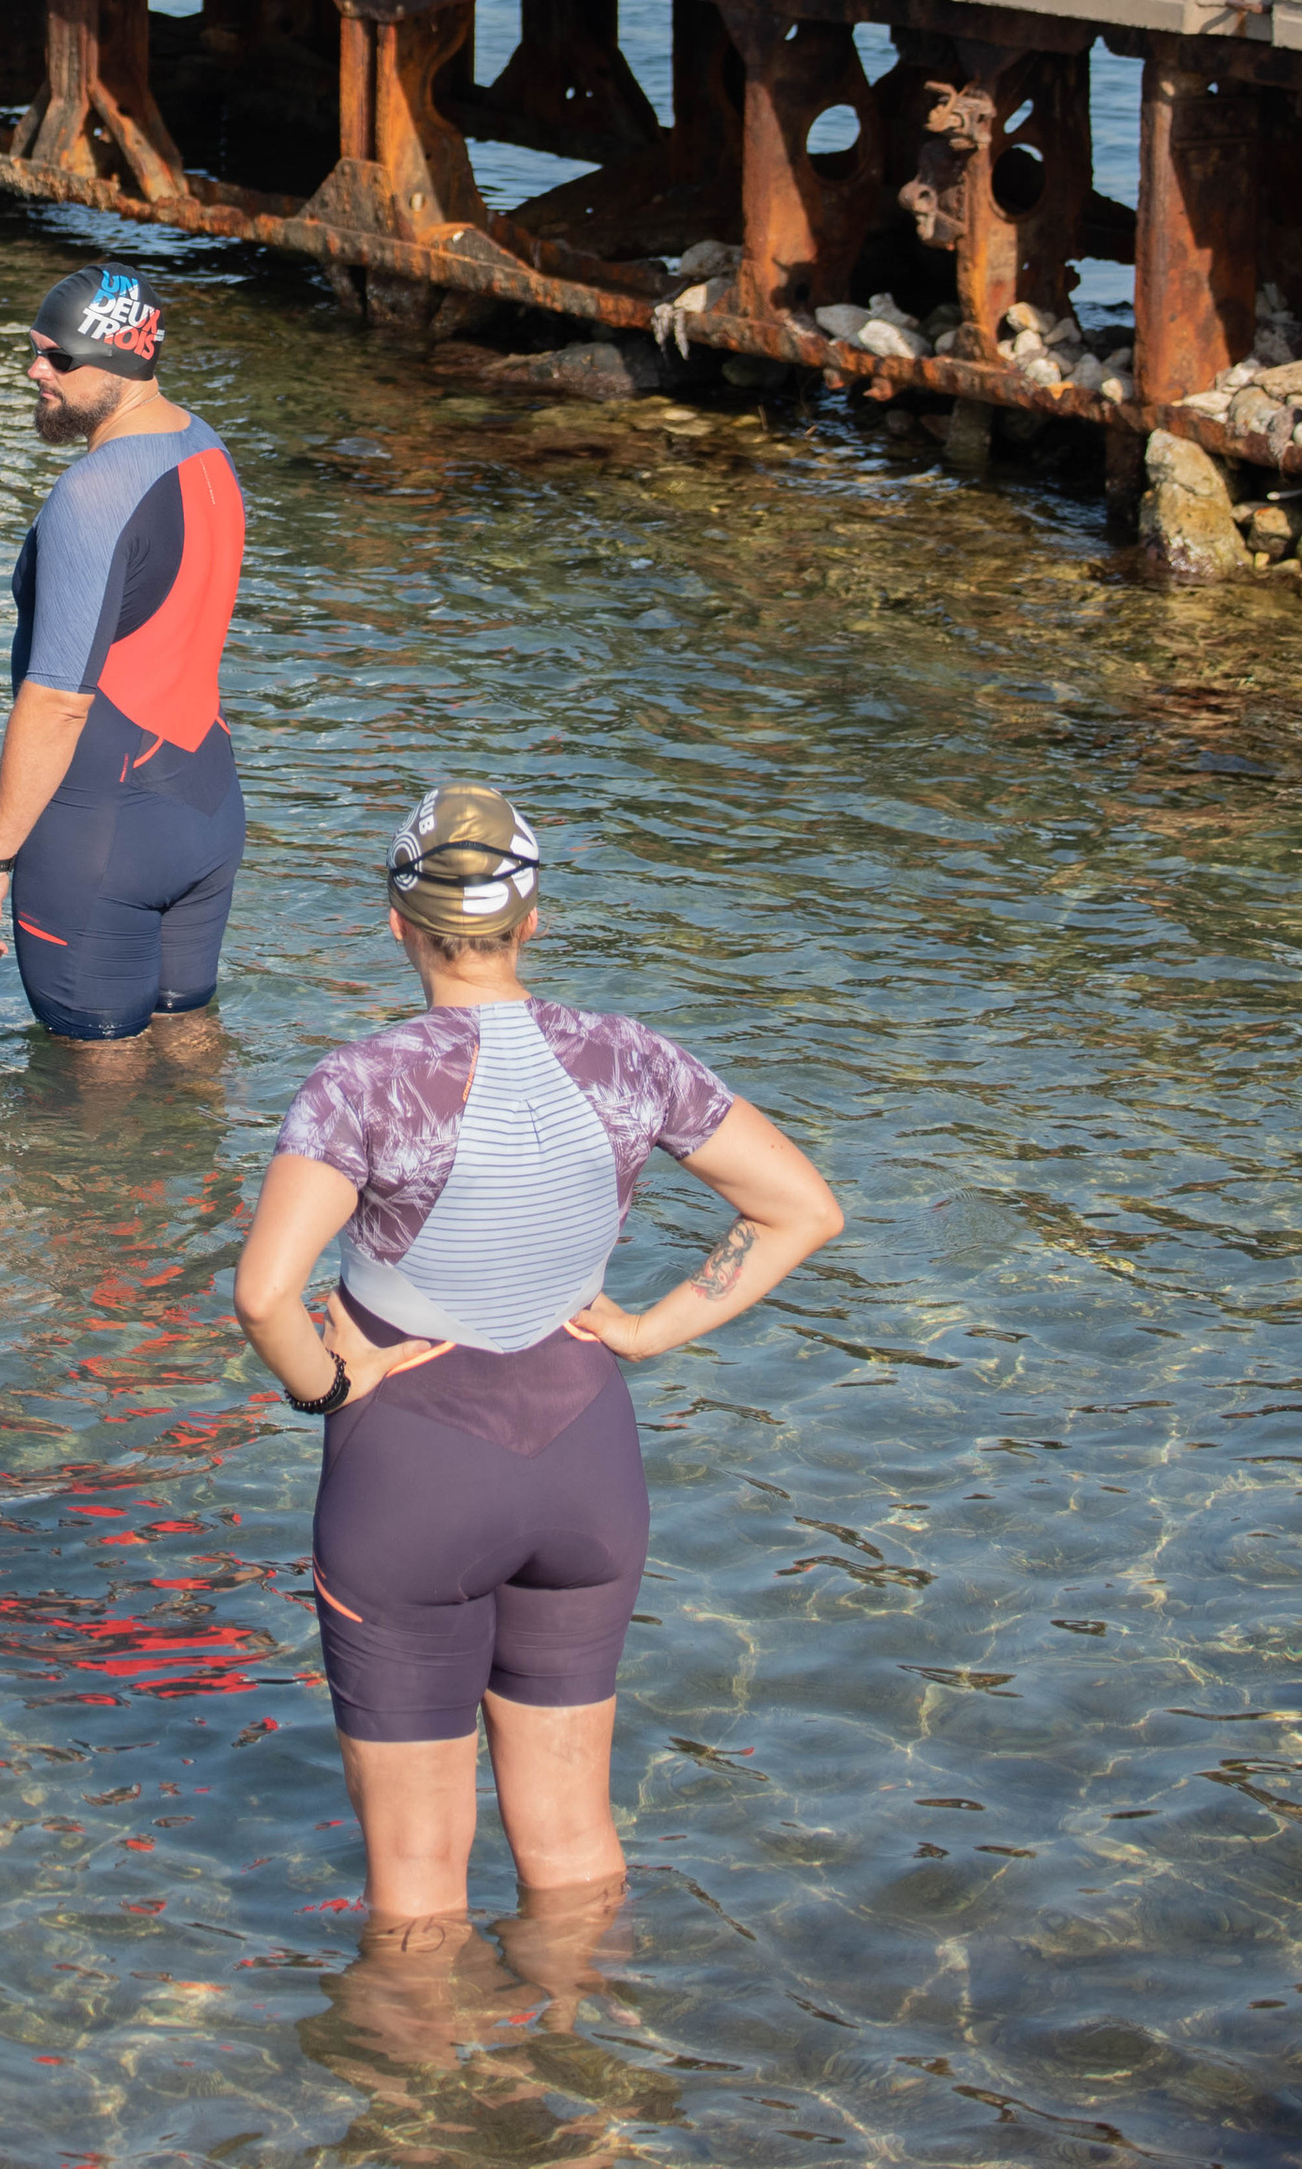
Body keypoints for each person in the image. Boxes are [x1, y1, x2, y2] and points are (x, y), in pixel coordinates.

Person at [232, 782, 842, 1926]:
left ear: (396, 924)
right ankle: (580, 2080)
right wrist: (650, 1330)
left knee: (415, 1882)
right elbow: (801, 1210)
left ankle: (418, 2100)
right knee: (571, 1843)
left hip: (412, 1472)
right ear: (533, 922)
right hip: (585, 1456)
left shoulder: (361, 1081)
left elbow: (264, 1295)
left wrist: (327, 1386)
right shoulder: (629, 1060)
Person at [0, 264, 247, 1051]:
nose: (35, 370)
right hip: (206, 809)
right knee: (191, 1060)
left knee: (93, 1120)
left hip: (103, 836)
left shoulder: (92, 494)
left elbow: (59, 701)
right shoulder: (207, 448)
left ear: (121, 362)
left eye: (59, 358)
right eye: (34, 350)